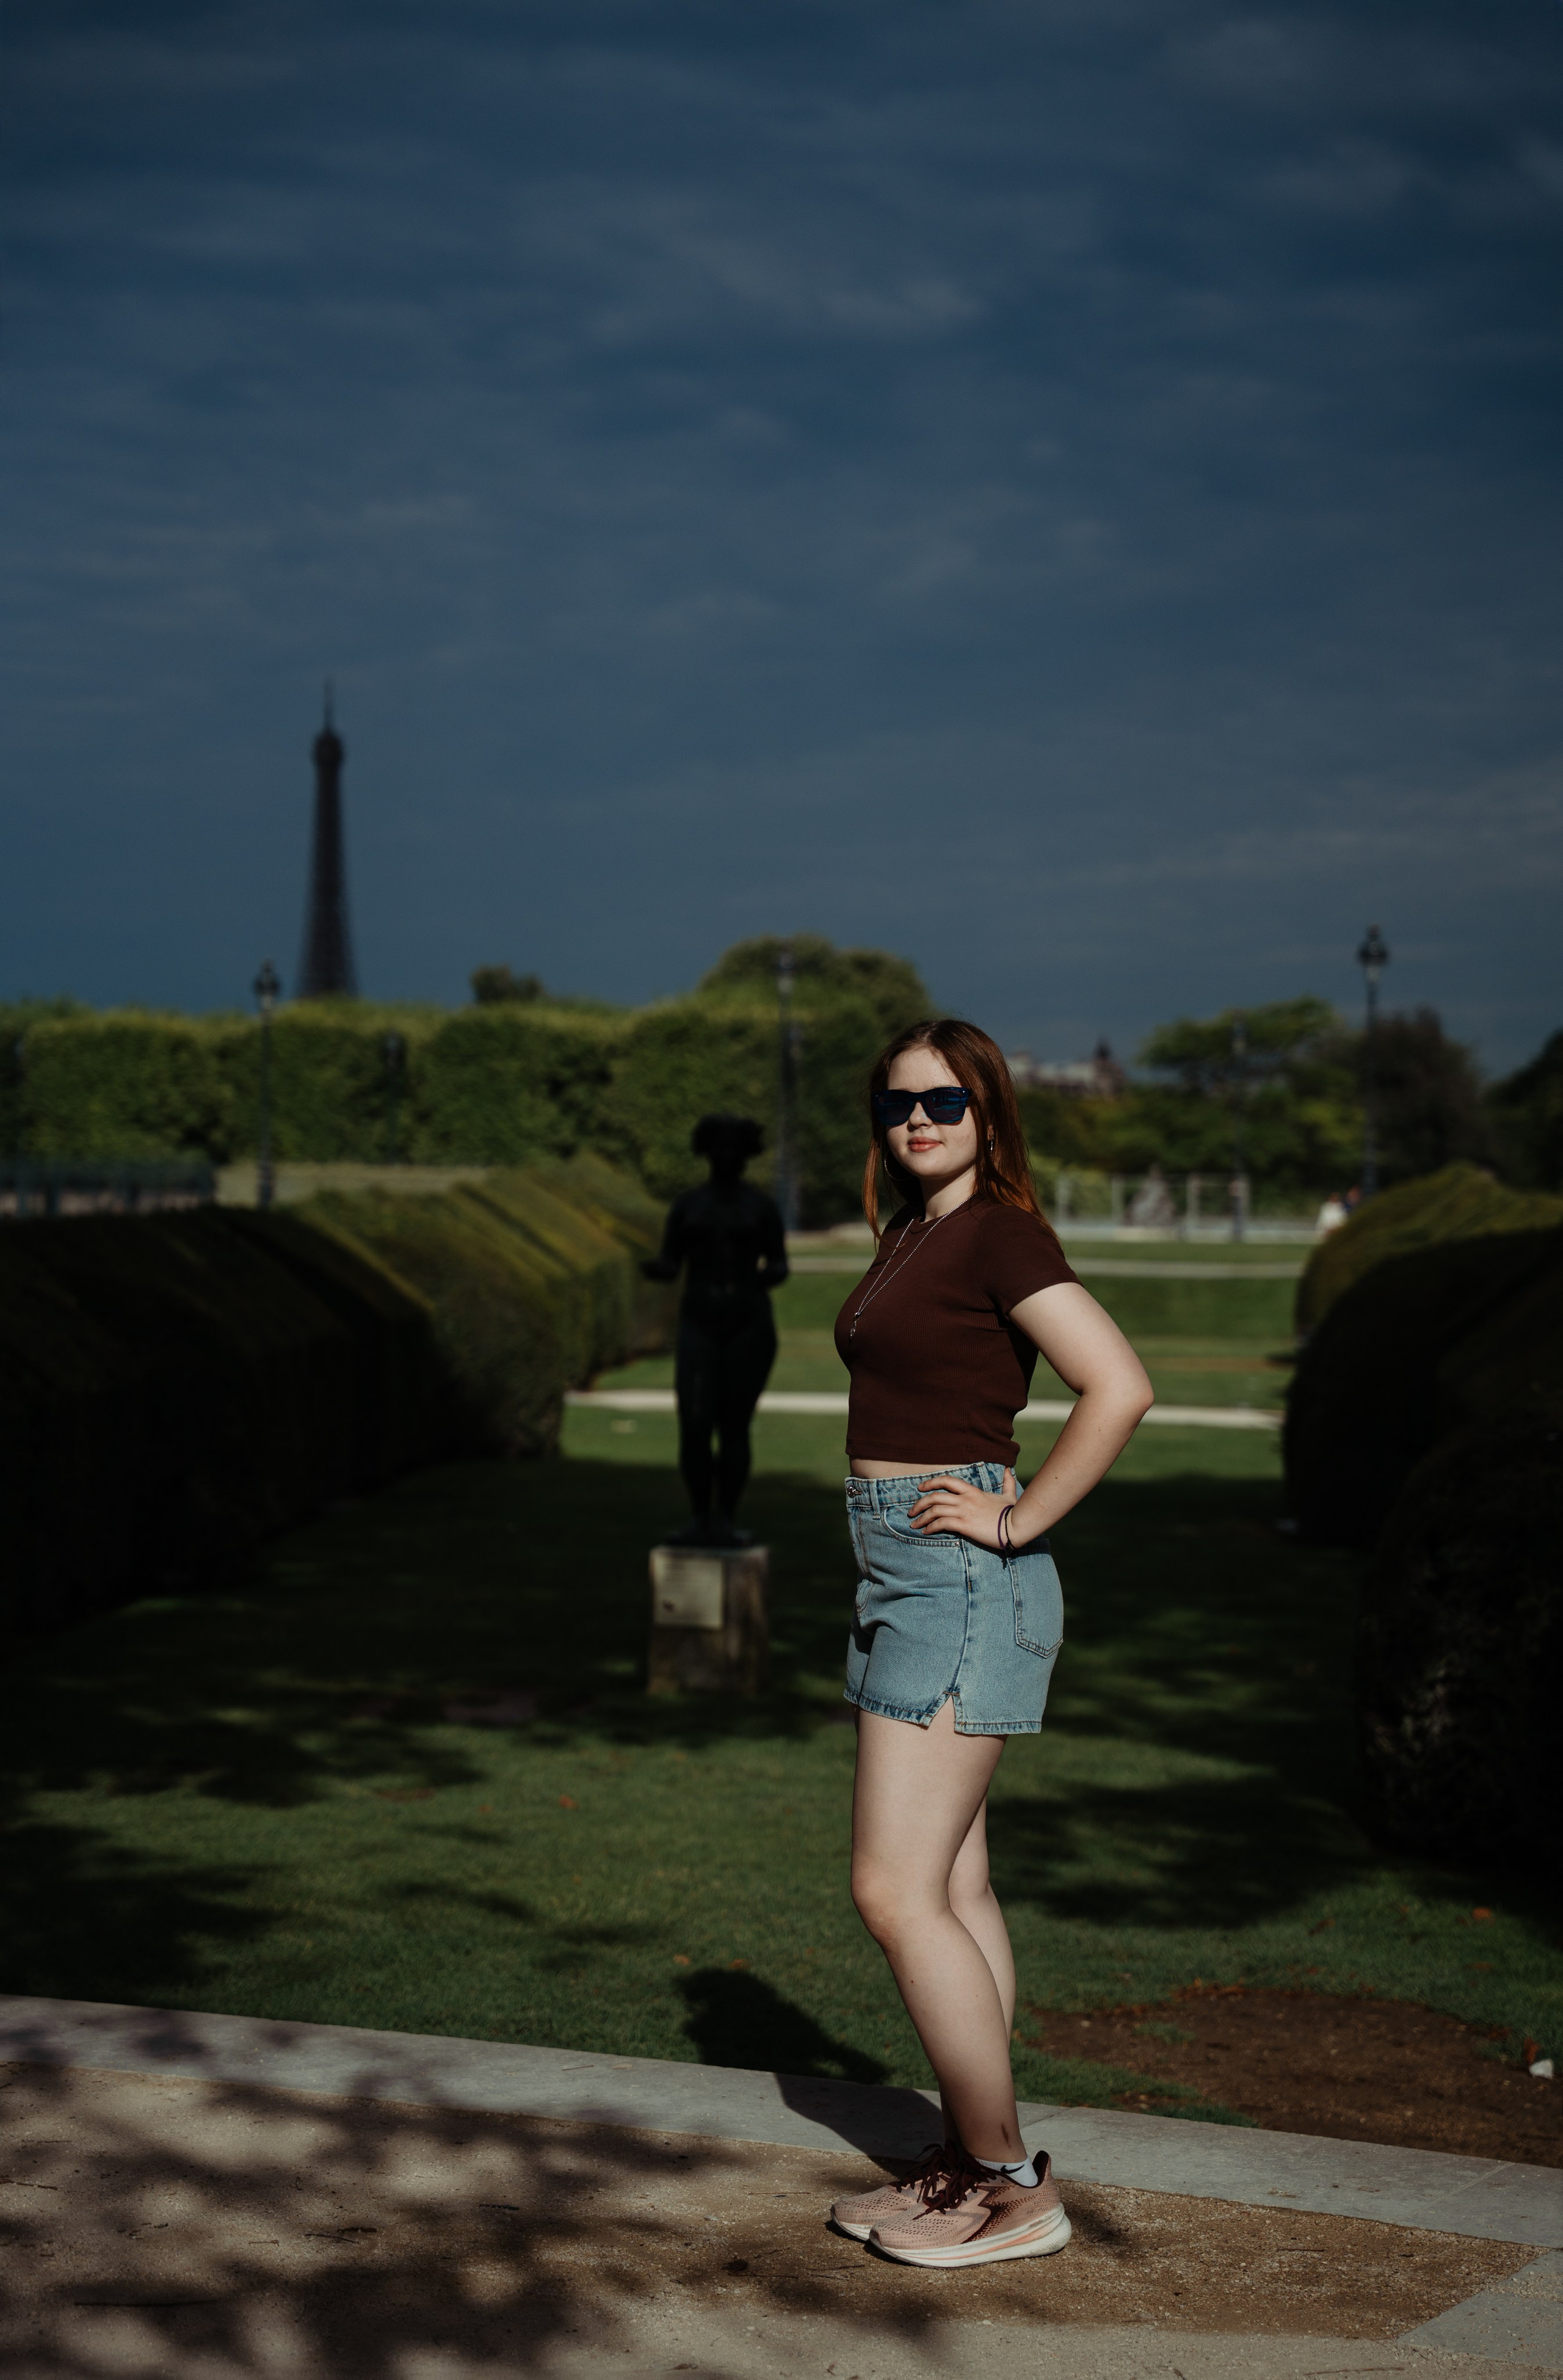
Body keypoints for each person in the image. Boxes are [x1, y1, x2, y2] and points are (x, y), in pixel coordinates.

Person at [826, 1017, 1153, 2269]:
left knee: (890, 1886)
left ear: (987, 1114)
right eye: (896, 1103)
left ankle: (1012, 2181)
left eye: (943, 1103)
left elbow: (1113, 1384)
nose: (916, 1120)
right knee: (951, 1883)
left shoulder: (1000, 1230)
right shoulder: (914, 1231)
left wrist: (1014, 1516)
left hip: (959, 1580)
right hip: (903, 1573)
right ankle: (970, 2164)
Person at [641, 1112, 788, 1546]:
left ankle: (725, 1518)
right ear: (706, 1152)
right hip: (700, 1319)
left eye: (734, 1148)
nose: (726, 1156)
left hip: (747, 1322)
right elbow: (672, 1261)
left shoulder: (760, 1207)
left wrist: (760, 1278)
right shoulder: (689, 1206)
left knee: (735, 1423)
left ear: (746, 1155)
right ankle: (699, 1517)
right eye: (719, 1147)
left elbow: (779, 1263)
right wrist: (657, 1268)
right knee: (694, 1421)